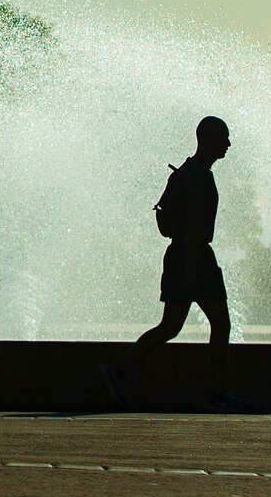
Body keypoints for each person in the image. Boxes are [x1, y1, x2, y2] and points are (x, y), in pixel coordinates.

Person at [99, 116, 250, 413]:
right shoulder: (200, 177)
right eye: (224, 138)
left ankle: (117, 371)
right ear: (208, 139)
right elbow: (194, 227)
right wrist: (193, 271)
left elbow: (169, 226)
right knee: (220, 324)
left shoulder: (185, 172)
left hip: (178, 255)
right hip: (195, 258)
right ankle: (218, 393)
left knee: (170, 326)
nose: (228, 145)